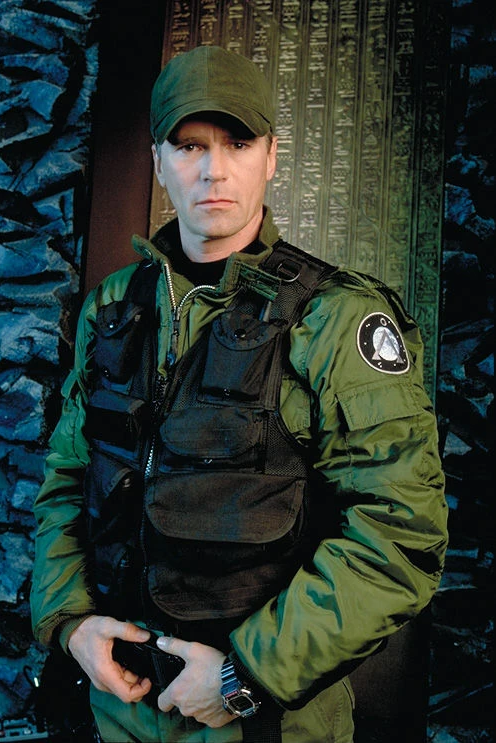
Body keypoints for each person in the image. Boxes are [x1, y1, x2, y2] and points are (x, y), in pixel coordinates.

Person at [30, 45, 448, 743]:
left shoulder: (334, 318)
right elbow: (67, 480)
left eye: (238, 143)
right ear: (159, 160)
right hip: (117, 708)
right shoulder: (114, 307)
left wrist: (244, 676)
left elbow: (400, 532)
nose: (213, 170)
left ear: (272, 156)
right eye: (189, 145)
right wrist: (70, 622)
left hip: (267, 720)